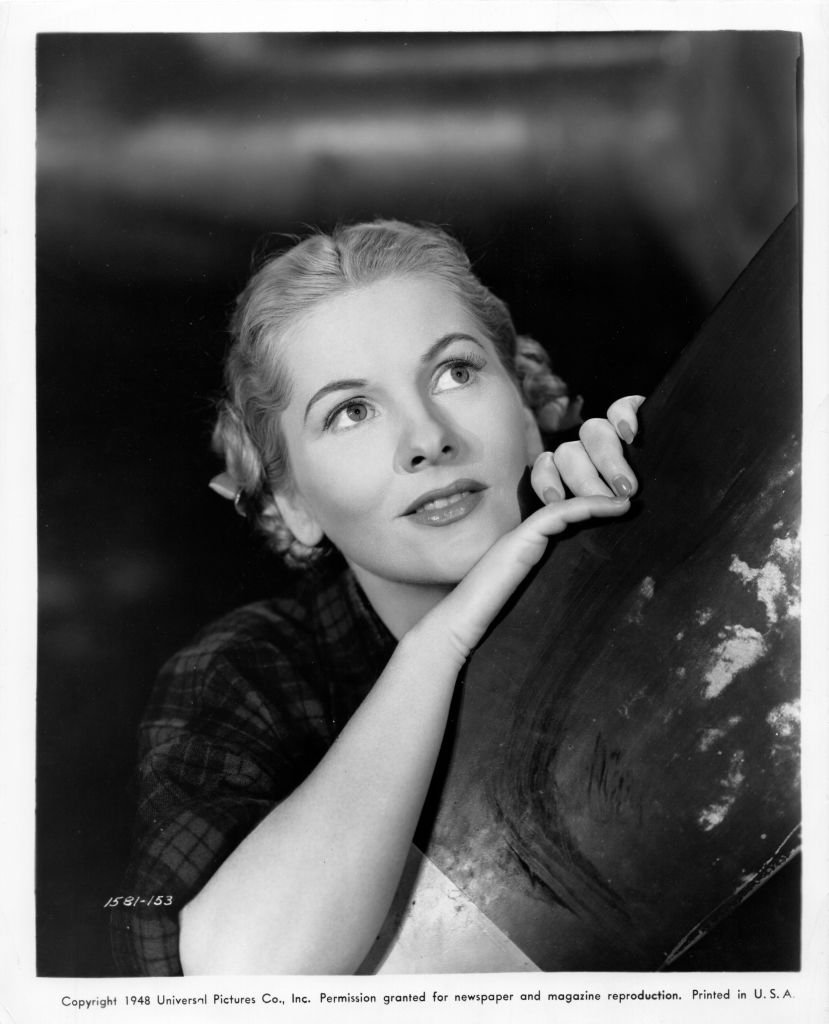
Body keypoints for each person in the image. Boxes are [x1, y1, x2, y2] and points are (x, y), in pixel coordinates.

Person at [111, 220, 644, 976]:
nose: (426, 438)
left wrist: (697, 507)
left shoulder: (649, 549)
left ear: (527, 405)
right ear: (292, 501)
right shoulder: (244, 673)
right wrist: (443, 642)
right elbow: (237, 982)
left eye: (455, 372)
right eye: (350, 411)